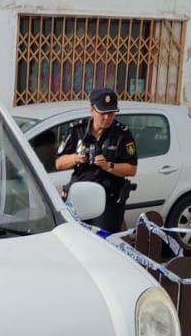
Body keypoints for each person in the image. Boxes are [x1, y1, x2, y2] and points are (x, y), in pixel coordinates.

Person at [55, 86, 138, 232]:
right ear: (92, 110)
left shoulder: (122, 134)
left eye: (111, 113)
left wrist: (109, 166)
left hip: (108, 202)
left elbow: (131, 169)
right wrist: (76, 158)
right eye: (103, 113)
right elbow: (58, 163)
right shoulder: (77, 130)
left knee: (102, 244)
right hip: (79, 198)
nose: (107, 118)